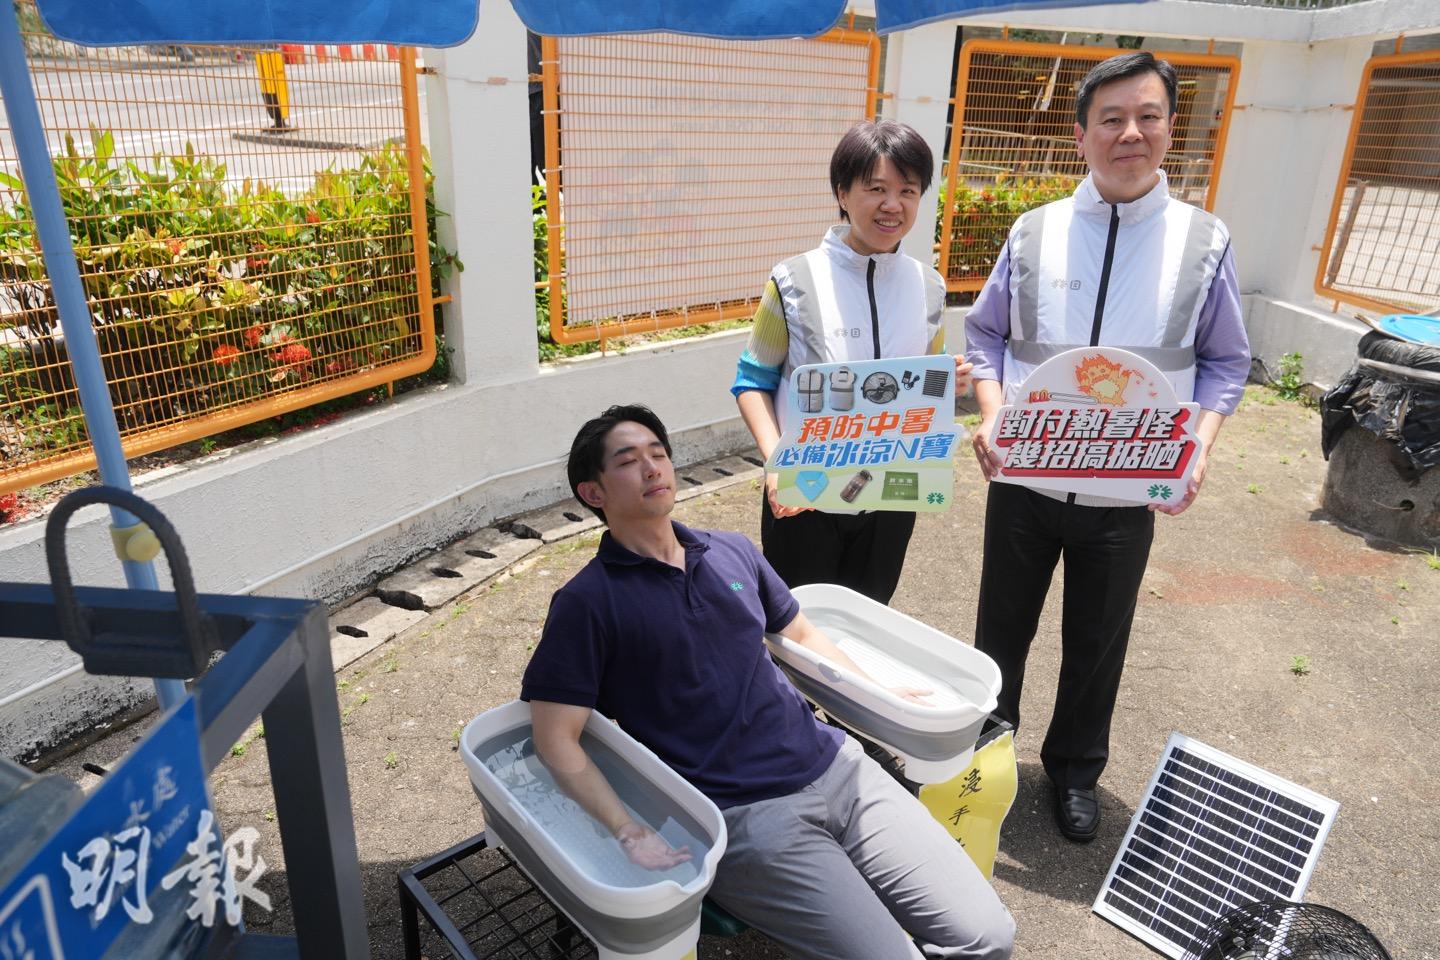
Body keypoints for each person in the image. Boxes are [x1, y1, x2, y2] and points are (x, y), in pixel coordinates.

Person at [521, 404, 1014, 960]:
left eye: (658, 453)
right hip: (745, 815)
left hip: (841, 768)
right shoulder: (586, 603)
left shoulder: (731, 550)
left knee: (988, 937)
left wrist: (879, 691)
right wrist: (627, 830)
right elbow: (555, 738)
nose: (653, 467)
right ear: (593, 493)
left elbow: (800, 630)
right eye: (629, 461)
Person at [963, 52, 1251, 843]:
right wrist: (991, 414)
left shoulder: (1202, 241)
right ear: (1081, 134)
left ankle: (1074, 772)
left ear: (1170, 130)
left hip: (1128, 491)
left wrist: (1198, 446)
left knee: (1098, 641)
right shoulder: (1035, 231)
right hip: (1025, 481)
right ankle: (984, 757)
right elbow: (985, 335)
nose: (1131, 133)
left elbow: (1227, 360)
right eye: (1112, 119)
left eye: (1148, 116)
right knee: (1001, 629)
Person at [731, 120, 965, 604]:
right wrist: (777, 465)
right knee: (799, 626)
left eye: (907, 190)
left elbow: (928, 379)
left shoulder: (929, 286)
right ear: (842, 193)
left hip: (893, 495)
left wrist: (948, 382)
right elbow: (752, 380)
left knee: (868, 621)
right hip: (807, 493)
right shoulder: (794, 280)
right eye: (875, 189)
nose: (892, 205)